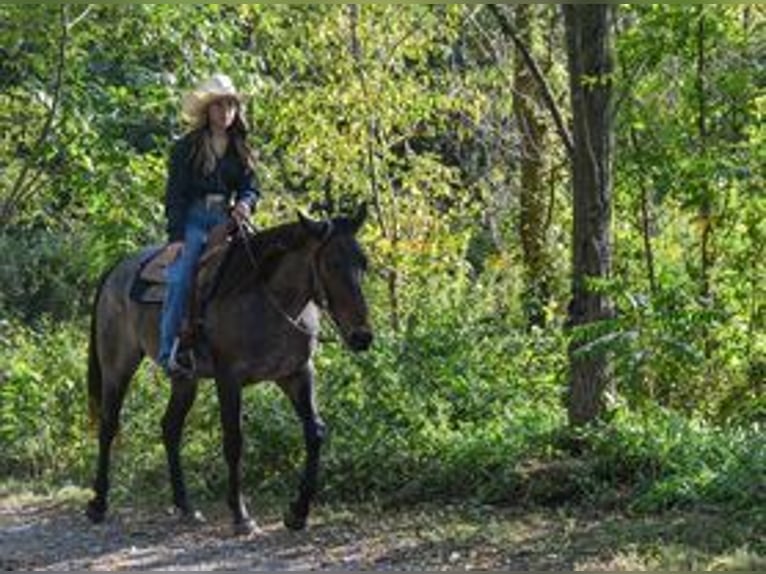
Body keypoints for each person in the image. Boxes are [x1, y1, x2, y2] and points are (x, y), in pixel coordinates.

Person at [158, 73, 260, 377]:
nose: (225, 112)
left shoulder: (241, 148)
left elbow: (251, 187)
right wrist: (176, 236)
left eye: (230, 106)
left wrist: (245, 203)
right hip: (193, 219)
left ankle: (248, 345)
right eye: (219, 106)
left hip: (227, 221)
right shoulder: (187, 148)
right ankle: (168, 353)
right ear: (208, 110)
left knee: (257, 268)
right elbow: (175, 194)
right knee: (180, 278)